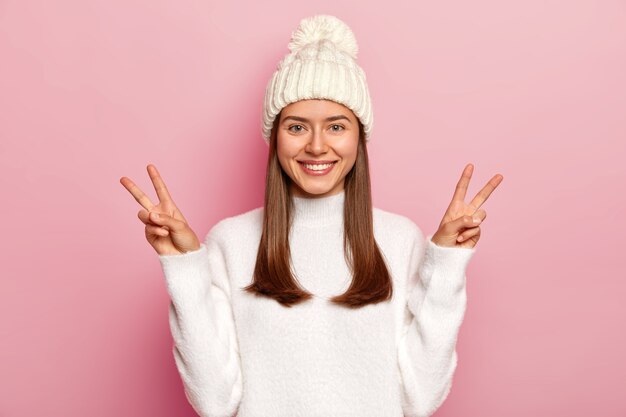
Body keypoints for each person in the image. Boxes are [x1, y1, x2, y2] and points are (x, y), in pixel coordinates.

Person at [120, 14, 502, 417]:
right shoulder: (230, 243)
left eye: (336, 126)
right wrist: (183, 267)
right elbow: (215, 402)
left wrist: (445, 265)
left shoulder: (399, 240)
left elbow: (420, 398)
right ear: (275, 136)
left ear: (359, 136)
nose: (317, 146)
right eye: (297, 127)